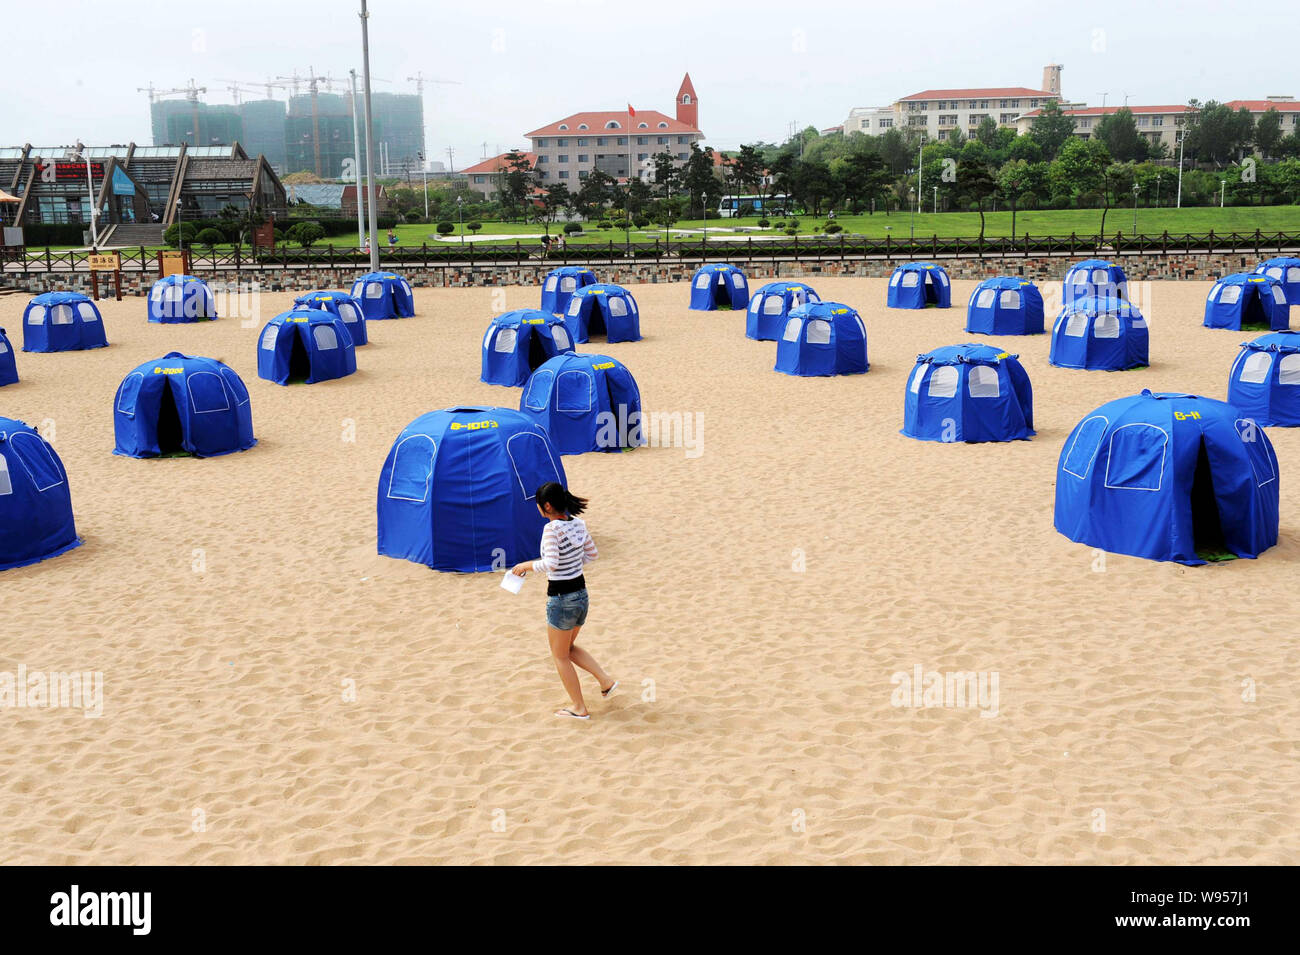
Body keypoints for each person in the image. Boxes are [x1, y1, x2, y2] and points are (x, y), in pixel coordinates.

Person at [512, 483, 615, 720]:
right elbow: (592, 555)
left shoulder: (551, 530)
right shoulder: (579, 524)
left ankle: (579, 708)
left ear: (546, 506)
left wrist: (525, 566)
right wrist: (572, 560)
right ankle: (605, 681)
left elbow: (551, 563)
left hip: (561, 598)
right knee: (567, 649)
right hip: (581, 595)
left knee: (559, 655)